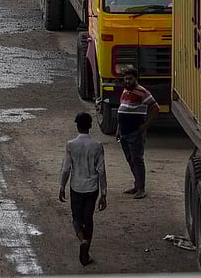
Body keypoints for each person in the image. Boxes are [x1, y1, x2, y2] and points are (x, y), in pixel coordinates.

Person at [59, 111, 107, 267]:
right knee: (89, 219)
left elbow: (66, 169)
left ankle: (82, 240)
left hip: (76, 187)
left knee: (76, 218)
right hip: (92, 188)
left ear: (77, 126)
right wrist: (104, 193)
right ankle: (86, 253)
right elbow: (101, 170)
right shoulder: (97, 145)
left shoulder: (71, 145)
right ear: (90, 126)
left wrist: (62, 186)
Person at [114, 66, 159, 199]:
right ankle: (137, 184)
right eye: (126, 79)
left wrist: (145, 126)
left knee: (137, 159)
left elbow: (156, 108)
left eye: (130, 79)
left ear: (135, 79)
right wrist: (118, 130)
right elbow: (122, 110)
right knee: (130, 159)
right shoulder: (125, 91)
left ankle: (141, 188)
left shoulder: (142, 92)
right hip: (124, 132)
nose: (127, 81)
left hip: (135, 132)